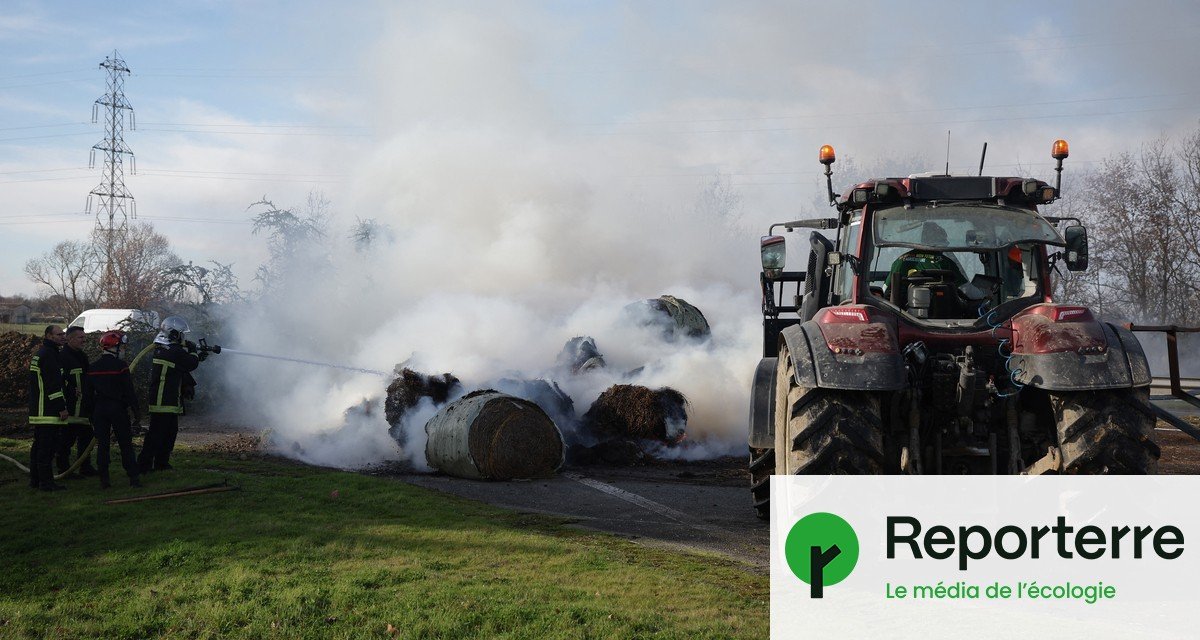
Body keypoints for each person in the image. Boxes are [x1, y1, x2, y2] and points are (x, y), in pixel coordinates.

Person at [137, 316, 201, 472]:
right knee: (156, 435)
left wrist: (196, 356)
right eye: (181, 333)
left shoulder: (166, 349)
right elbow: (190, 363)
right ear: (173, 334)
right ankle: (144, 465)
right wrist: (194, 352)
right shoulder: (171, 350)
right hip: (162, 400)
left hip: (169, 400)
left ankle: (161, 463)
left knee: (169, 434)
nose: (183, 337)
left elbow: (180, 366)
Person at [89, 331, 142, 488]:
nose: (124, 350)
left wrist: (90, 414)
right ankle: (134, 478)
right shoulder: (121, 366)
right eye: (122, 347)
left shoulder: (92, 367)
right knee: (125, 444)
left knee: (102, 446)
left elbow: (88, 394)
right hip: (118, 409)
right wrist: (136, 413)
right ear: (114, 348)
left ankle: (104, 480)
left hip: (99, 410)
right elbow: (129, 391)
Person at [885, 221, 968, 306]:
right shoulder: (944, 263)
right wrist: (981, 294)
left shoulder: (900, 260)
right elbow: (966, 291)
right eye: (944, 240)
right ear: (939, 242)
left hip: (901, 312)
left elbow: (885, 290)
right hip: (940, 312)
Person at [28, 325, 69, 491]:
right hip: (49, 411)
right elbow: (53, 386)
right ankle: (46, 483)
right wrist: (62, 408)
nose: (63, 337)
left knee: (38, 447)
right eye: (59, 334)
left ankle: (36, 480)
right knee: (47, 448)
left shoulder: (42, 354)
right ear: (49, 336)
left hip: (39, 409)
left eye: (63, 334)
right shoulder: (50, 356)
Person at [56, 325, 97, 477]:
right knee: (66, 440)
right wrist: (70, 390)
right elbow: (57, 381)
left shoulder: (82, 356)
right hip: (70, 407)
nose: (84, 340)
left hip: (83, 407)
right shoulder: (62, 357)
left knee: (86, 439)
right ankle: (64, 469)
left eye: (84, 337)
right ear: (70, 339)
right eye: (81, 337)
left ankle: (85, 467)